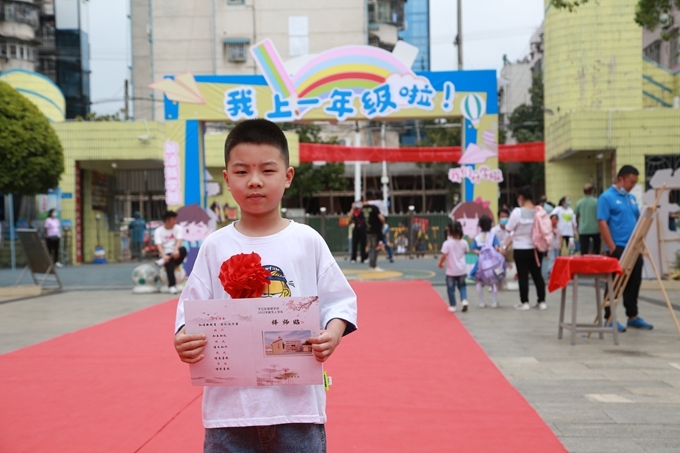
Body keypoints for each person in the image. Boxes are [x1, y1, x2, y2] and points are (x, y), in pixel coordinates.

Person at [173, 118, 357, 453]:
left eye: (268, 170)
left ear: (287, 176)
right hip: (229, 413)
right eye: (242, 171)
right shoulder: (215, 246)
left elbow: (339, 301)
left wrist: (332, 333)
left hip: (297, 410)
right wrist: (183, 338)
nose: (255, 181)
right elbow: (190, 312)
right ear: (227, 179)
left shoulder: (307, 241)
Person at [598, 165, 653, 331]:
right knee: (614, 283)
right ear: (621, 179)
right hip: (619, 246)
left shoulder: (631, 198)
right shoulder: (606, 197)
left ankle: (632, 316)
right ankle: (609, 318)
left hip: (634, 247)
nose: (633, 185)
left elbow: (637, 218)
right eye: (631, 182)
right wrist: (612, 247)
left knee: (634, 281)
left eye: (635, 182)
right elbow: (602, 222)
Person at [505, 186, 547, 311]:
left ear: (521, 197)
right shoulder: (539, 211)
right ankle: (542, 301)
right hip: (536, 248)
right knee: (537, 275)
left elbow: (508, 228)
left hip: (521, 248)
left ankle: (525, 302)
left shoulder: (517, 212)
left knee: (523, 275)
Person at [470, 215, 502, 308]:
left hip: (480, 263)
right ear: (490, 225)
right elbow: (497, 247)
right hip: (491, 263)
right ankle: (494, 302)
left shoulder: (477, 237)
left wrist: (481, 252)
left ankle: (481, 302)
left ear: (480, 225)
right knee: (493, 281)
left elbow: (473, 249)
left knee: (478, 281)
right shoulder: (492, 236)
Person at [438, 221, 469, 312]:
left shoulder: (447, 243)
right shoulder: (464, 242)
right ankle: (464, 300)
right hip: (462, 269)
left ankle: (453, 305)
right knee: (462, 286)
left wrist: (440, 263)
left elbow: (444, 255)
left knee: (451, 289)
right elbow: (466, 251)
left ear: (450, 232)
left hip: (451, 270)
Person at [154, 210, 187, 294]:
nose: (175, 221)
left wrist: (175, 250)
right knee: (170, 264)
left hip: (176, 254)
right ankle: (172, 286)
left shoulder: (178, 228)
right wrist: (163, 256)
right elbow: (158, 245)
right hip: (165, 254)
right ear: (167, 220)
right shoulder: (158, 231)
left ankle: (163, 261)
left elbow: (179, 240)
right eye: (173, 219)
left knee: (183, 249)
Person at [574, 183, 601, 254]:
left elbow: (576, 216)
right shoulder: (597, 201)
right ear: (592, 191)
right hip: (596, 229)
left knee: (583, 250)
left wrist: (578, 225)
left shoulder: (579, 202)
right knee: (596, 249)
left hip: (583, 230)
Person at [362, 190, 385, 270]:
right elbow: (381, 218)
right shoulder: (374, 207)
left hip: (368, 230)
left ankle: (371, 264)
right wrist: (383, 223)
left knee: (371, 247)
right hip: (375, 230)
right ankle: (373, 265)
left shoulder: (363, 208)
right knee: (375, 248)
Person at [542, 214, 563, 280]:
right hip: (551, 246)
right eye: (553, 219)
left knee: (556, 259)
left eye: (556, 219)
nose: (554, 221)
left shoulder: (559, 229)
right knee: (552, 258)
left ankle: (555, 271)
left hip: (557, 246)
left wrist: (561, 245)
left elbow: (560, 237)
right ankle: (550, 271)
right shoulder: (548, 229)